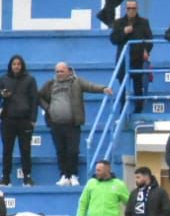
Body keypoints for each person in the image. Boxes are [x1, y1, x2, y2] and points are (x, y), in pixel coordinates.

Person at [40, 62, 109, 186]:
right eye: (57, 71)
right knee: (60, 151)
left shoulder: (76, 82)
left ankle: (73, 175)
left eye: (62, 71)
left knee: (72, 150)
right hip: (56, 124)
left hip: (72, 124)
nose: (59, 74)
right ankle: (63, 175)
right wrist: (48, 108)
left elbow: (90, 86)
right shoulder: (50, 84)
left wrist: (103, 88)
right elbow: (38, 97)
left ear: (69, 71)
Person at [0, 55, 39, 186]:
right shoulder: (3, 79)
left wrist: (33, 118)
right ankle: (5, 177)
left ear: (22, 65)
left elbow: (34, 100)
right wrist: (2, 95)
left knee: (25, 150)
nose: (16, 66)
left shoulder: (30, 80)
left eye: (18, 64)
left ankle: (27, 177)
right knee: (7, 150)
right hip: (7, 120)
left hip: (25, 120)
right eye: (14, 64)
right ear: (10, 66)